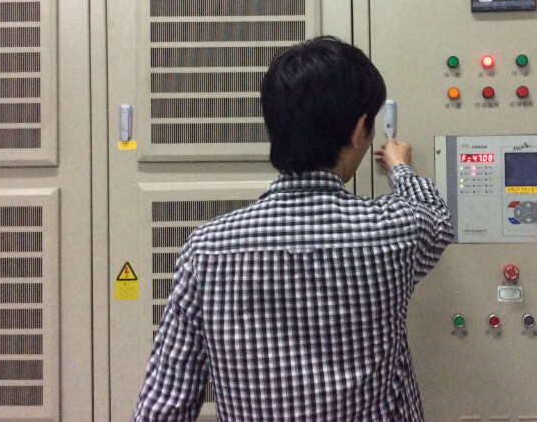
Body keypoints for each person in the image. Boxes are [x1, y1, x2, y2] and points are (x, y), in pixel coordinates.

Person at [132, 36, 453, 421]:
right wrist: (401, 168)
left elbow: (163, 406)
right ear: (359, 130)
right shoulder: (394, 233)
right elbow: (437, 217)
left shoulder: (207, 251)